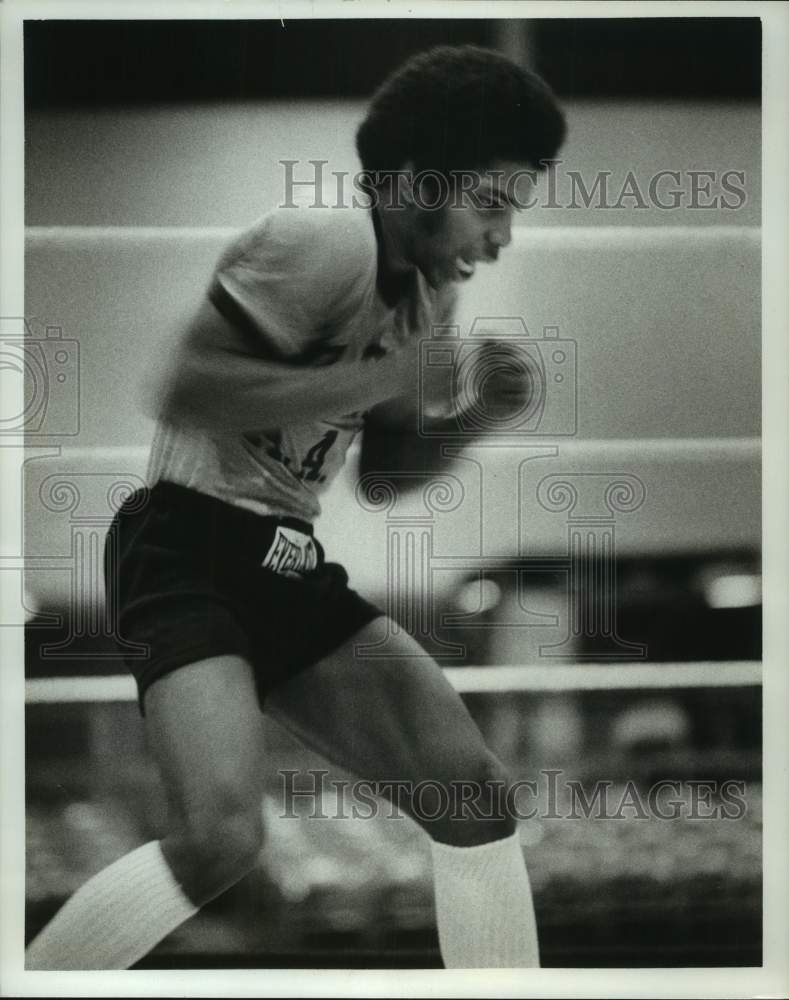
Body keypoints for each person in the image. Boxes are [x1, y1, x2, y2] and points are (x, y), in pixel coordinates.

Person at [26, 44, 566, 970]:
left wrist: (474, 417)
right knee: (221, 842)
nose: (501, 239)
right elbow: (188, 386)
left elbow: (382, 475)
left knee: (474, 800)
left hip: (283, 556)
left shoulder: (424, 297)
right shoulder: (322, 237)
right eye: (491, 205)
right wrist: (396, 371)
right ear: (416, 181)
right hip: (185, 544)